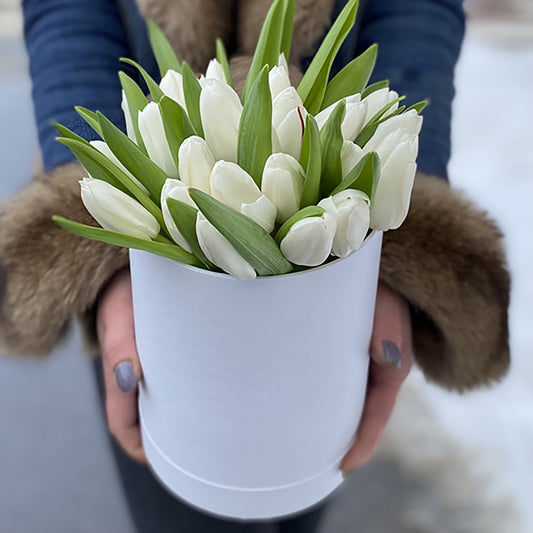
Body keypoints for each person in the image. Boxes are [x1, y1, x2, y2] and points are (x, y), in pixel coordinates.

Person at [0, 0, 510, 532]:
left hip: (342, 229)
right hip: (147, 242)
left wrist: (394, 232)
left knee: (306, 492)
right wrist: (103, 240)